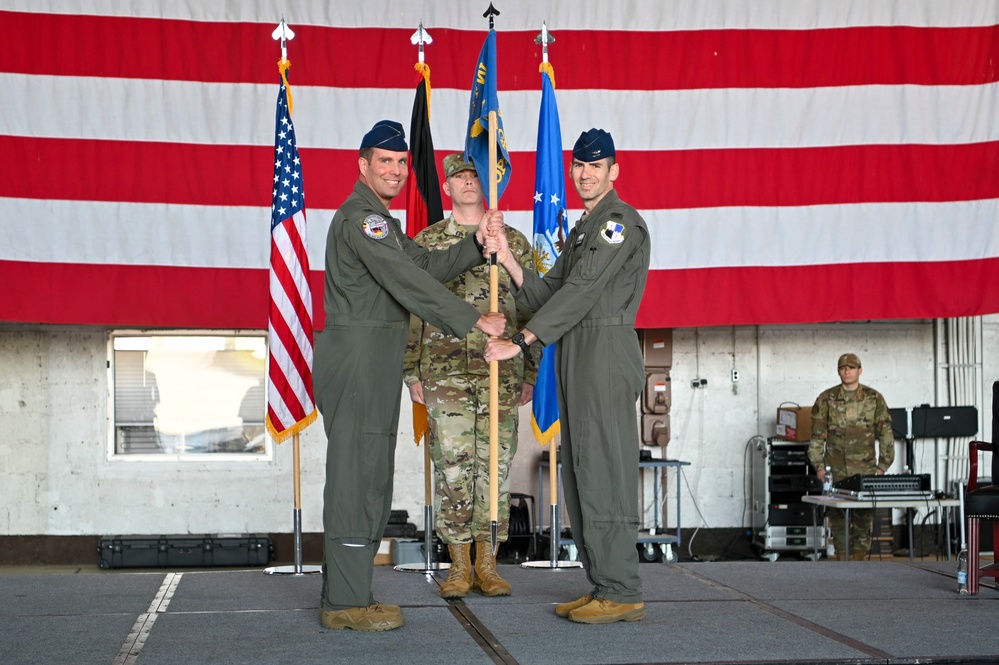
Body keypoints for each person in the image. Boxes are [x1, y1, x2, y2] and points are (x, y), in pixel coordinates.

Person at [313, 120, 506, 632]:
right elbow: (406, 281)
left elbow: (420, 261)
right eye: (385, 161)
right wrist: (473, 320)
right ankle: (344, 603)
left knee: (370, 476)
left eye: (402, 163)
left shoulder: (382, 220)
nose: (396, 170)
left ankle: (350, 592)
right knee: (357, 479)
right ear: (363, 165)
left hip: (373, 358)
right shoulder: (362, 218)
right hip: (358, 359)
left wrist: (474, 245)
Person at [484, 128, 650, 624]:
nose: (584, 174)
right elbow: (546, 292)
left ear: (613, 171)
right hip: (578, 351)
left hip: (604, 351)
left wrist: (522, 341)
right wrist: (508, 256)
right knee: (580, 474)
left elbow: (578, 294)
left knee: (605, 471)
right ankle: (603, 582)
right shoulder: (583, 229)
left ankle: (623, 589)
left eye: (595, 166)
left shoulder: (616, 224)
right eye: (578, 165)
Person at [403, 153, 540, 599]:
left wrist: (530, 372)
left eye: (473, 175)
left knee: (495, 467)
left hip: (500, 372)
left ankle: (489, 563)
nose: (466, 182)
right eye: (458, 177)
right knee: (453, 468)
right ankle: (458, 564)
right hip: (444, 374)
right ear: (446, 188)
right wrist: (411, 372)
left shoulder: (512, 240)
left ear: (487, 183)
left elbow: (532, 305)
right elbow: (414, 308)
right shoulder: (428, 241)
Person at [807, 353, 896, 561]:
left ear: (860, 371)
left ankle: (860, 564)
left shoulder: (874, 399)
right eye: (843, 368)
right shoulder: (826, 399)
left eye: (852, 367)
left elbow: (886, 433)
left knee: (864, 522)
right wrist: (819, 466)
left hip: (865, 471)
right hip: (835, 471)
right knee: (837, 523)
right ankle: (841, 562)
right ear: (838, 371)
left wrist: (883, 465)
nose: (847, 371)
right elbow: (817, 436)